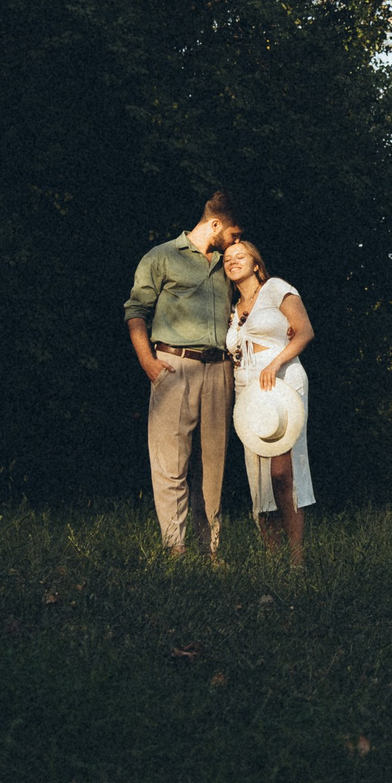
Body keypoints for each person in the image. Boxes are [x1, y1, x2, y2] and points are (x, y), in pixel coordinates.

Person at [122, 192, 241, 560]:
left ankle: (210, 552)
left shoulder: (228, 263)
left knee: (214, 465)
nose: (236, 243)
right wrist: (147, 361)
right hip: (174, 366)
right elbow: (136, 310)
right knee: (170, 461)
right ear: (216, 224)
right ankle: (176, 548)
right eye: (233, 235)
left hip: (220, 369)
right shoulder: (161, 256)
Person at [222, 238, 314, 568]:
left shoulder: (276, 289)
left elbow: (304, 331)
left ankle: (297, 558)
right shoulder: (233, 309)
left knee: (282, 473)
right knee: (259, 477)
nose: (232, 261)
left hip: (281, 379)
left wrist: (274, 363)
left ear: (256, 263)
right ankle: (272, 559)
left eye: (240, 256)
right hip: (248, 386)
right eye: (227, 259)